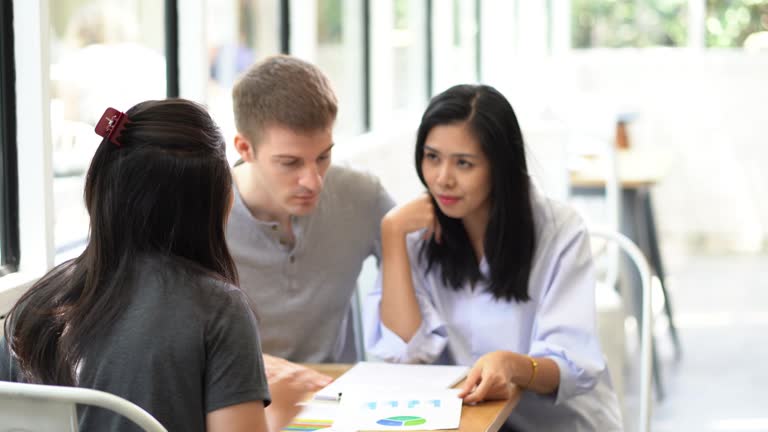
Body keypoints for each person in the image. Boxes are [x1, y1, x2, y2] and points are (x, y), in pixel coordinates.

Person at [1, 99, 303, 432]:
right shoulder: (218, 310)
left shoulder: (35, 306)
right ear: (217, 204)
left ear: (102, 191)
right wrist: (286, 409)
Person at [364, 84, 623, 431]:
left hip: (555, 424)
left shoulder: (560, 231)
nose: (443, 179)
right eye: (432, 157)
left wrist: (513, 366)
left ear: (499, 166)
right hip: (464, 422)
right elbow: (406, 353)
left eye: (464, 164)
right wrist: (392, 235)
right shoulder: (415, 229)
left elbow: (572, 364)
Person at [227, 55, 395, 386]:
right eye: (290, 163)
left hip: (337, 402)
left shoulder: (362, 196)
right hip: (238, 401)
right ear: (245, 148)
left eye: (323, 157)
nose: (314, 181)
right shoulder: (196, 214)